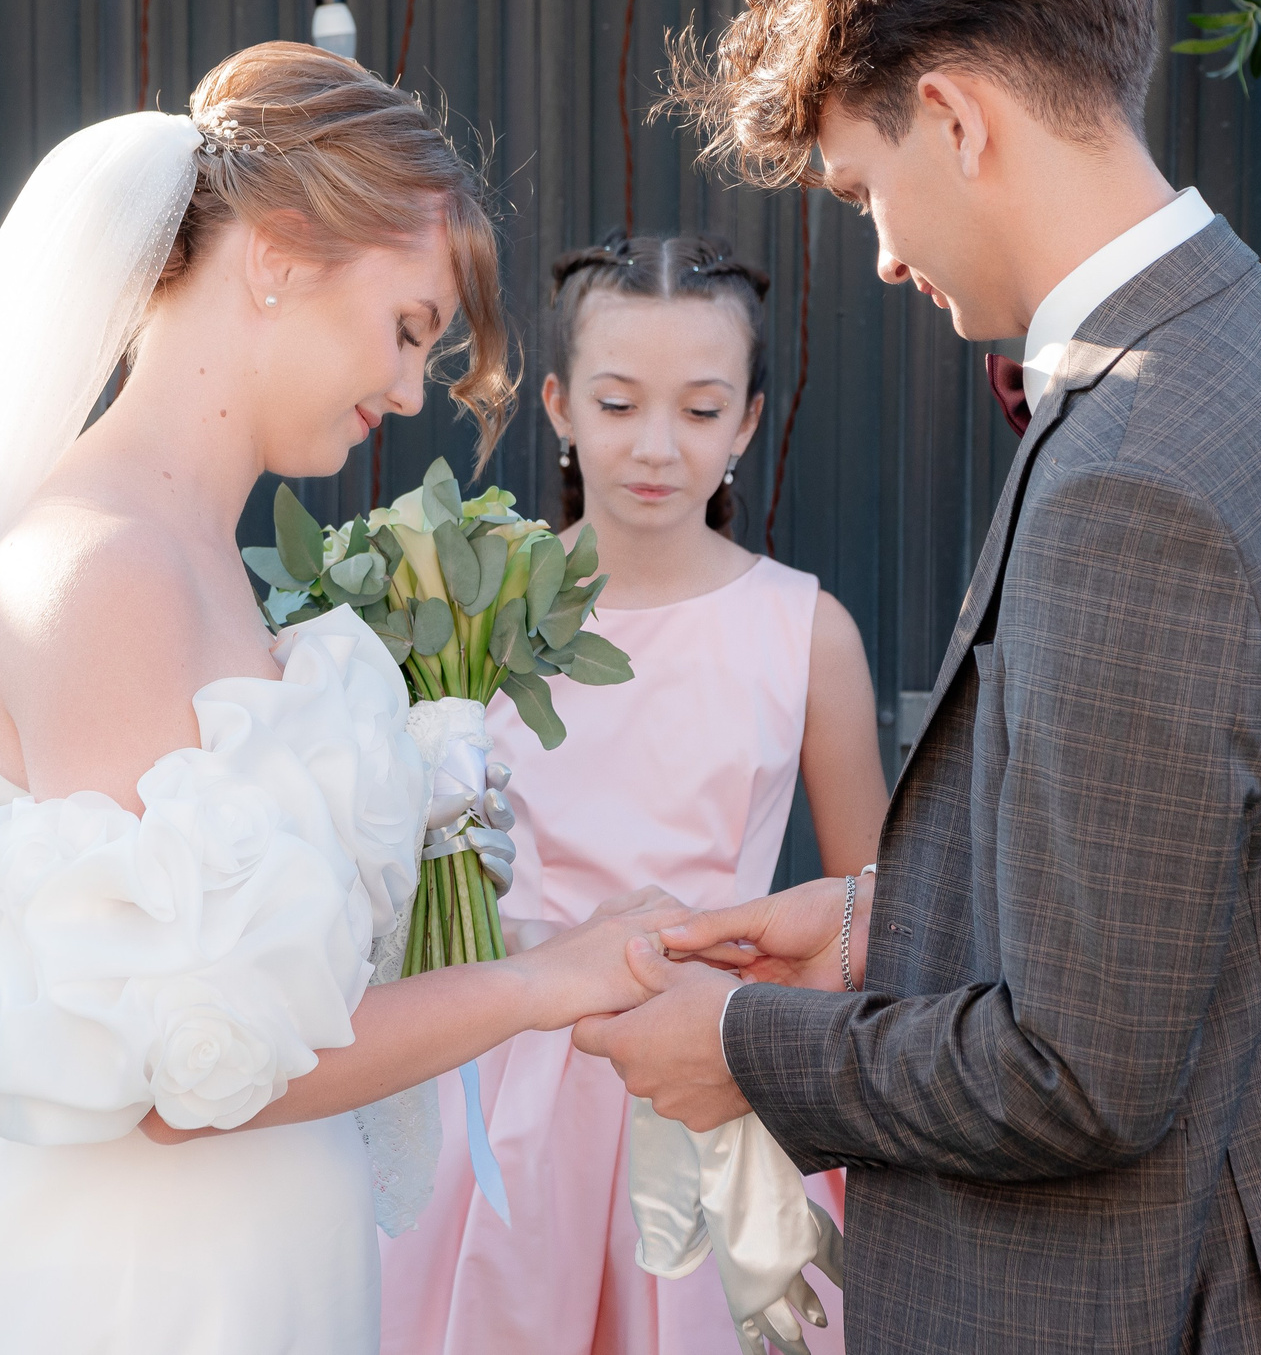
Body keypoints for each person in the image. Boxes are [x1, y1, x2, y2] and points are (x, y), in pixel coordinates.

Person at [572, 0, 1261, 1353]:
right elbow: (1220, 888)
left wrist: (747, 1046)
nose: (877, 255)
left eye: (866, 190)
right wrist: (878, 932)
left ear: (959, 117)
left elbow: (1077, 1070)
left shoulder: (1135, 471)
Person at [0, 43, 680, 1355]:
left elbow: (272, 993)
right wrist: (541, 987)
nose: (407, 392)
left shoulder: (197, 563)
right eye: (405, 330)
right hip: (129, 1300)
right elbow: (179, 1073)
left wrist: (479, 895)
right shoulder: (99, 569)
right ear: (279, 256)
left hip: (255, 1276)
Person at [380, 232, 887, 1355]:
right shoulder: (475, 622)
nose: (656, 446)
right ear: (558, 404)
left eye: (701, 411)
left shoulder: (806, 632)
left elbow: (873, 905)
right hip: (502, 1099)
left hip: (710, 1082)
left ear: (747, 421)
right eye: (617, 403)